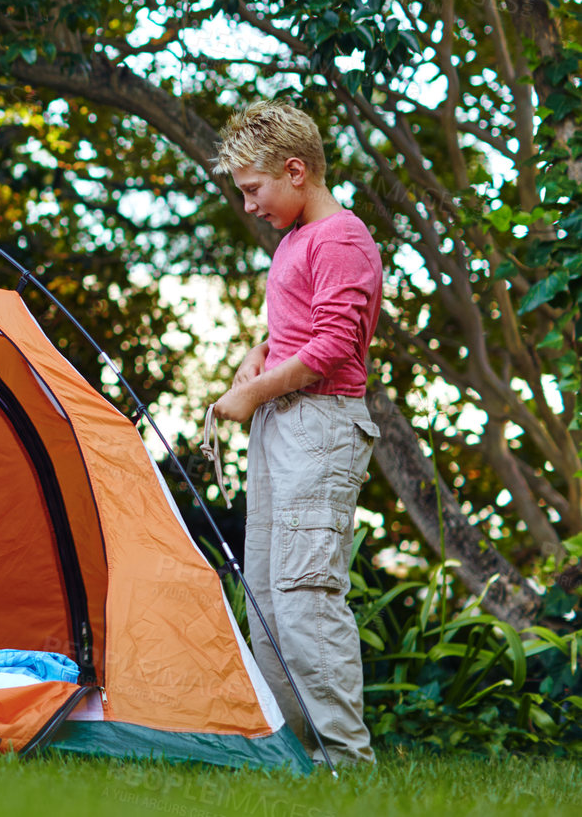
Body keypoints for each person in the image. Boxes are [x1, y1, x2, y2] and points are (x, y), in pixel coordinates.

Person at [209, 99, 383, 766]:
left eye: (254, 189)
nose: (250, 205)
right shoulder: (297, 242)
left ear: (295, 169)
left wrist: (253, 392)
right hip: (285, 424)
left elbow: (337, 345)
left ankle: (347, 759)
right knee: (270, 594)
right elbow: (304, 328)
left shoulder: (342, 236)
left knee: (307, 594)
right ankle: (300, 754)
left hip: (322, 427)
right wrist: (261, 351)